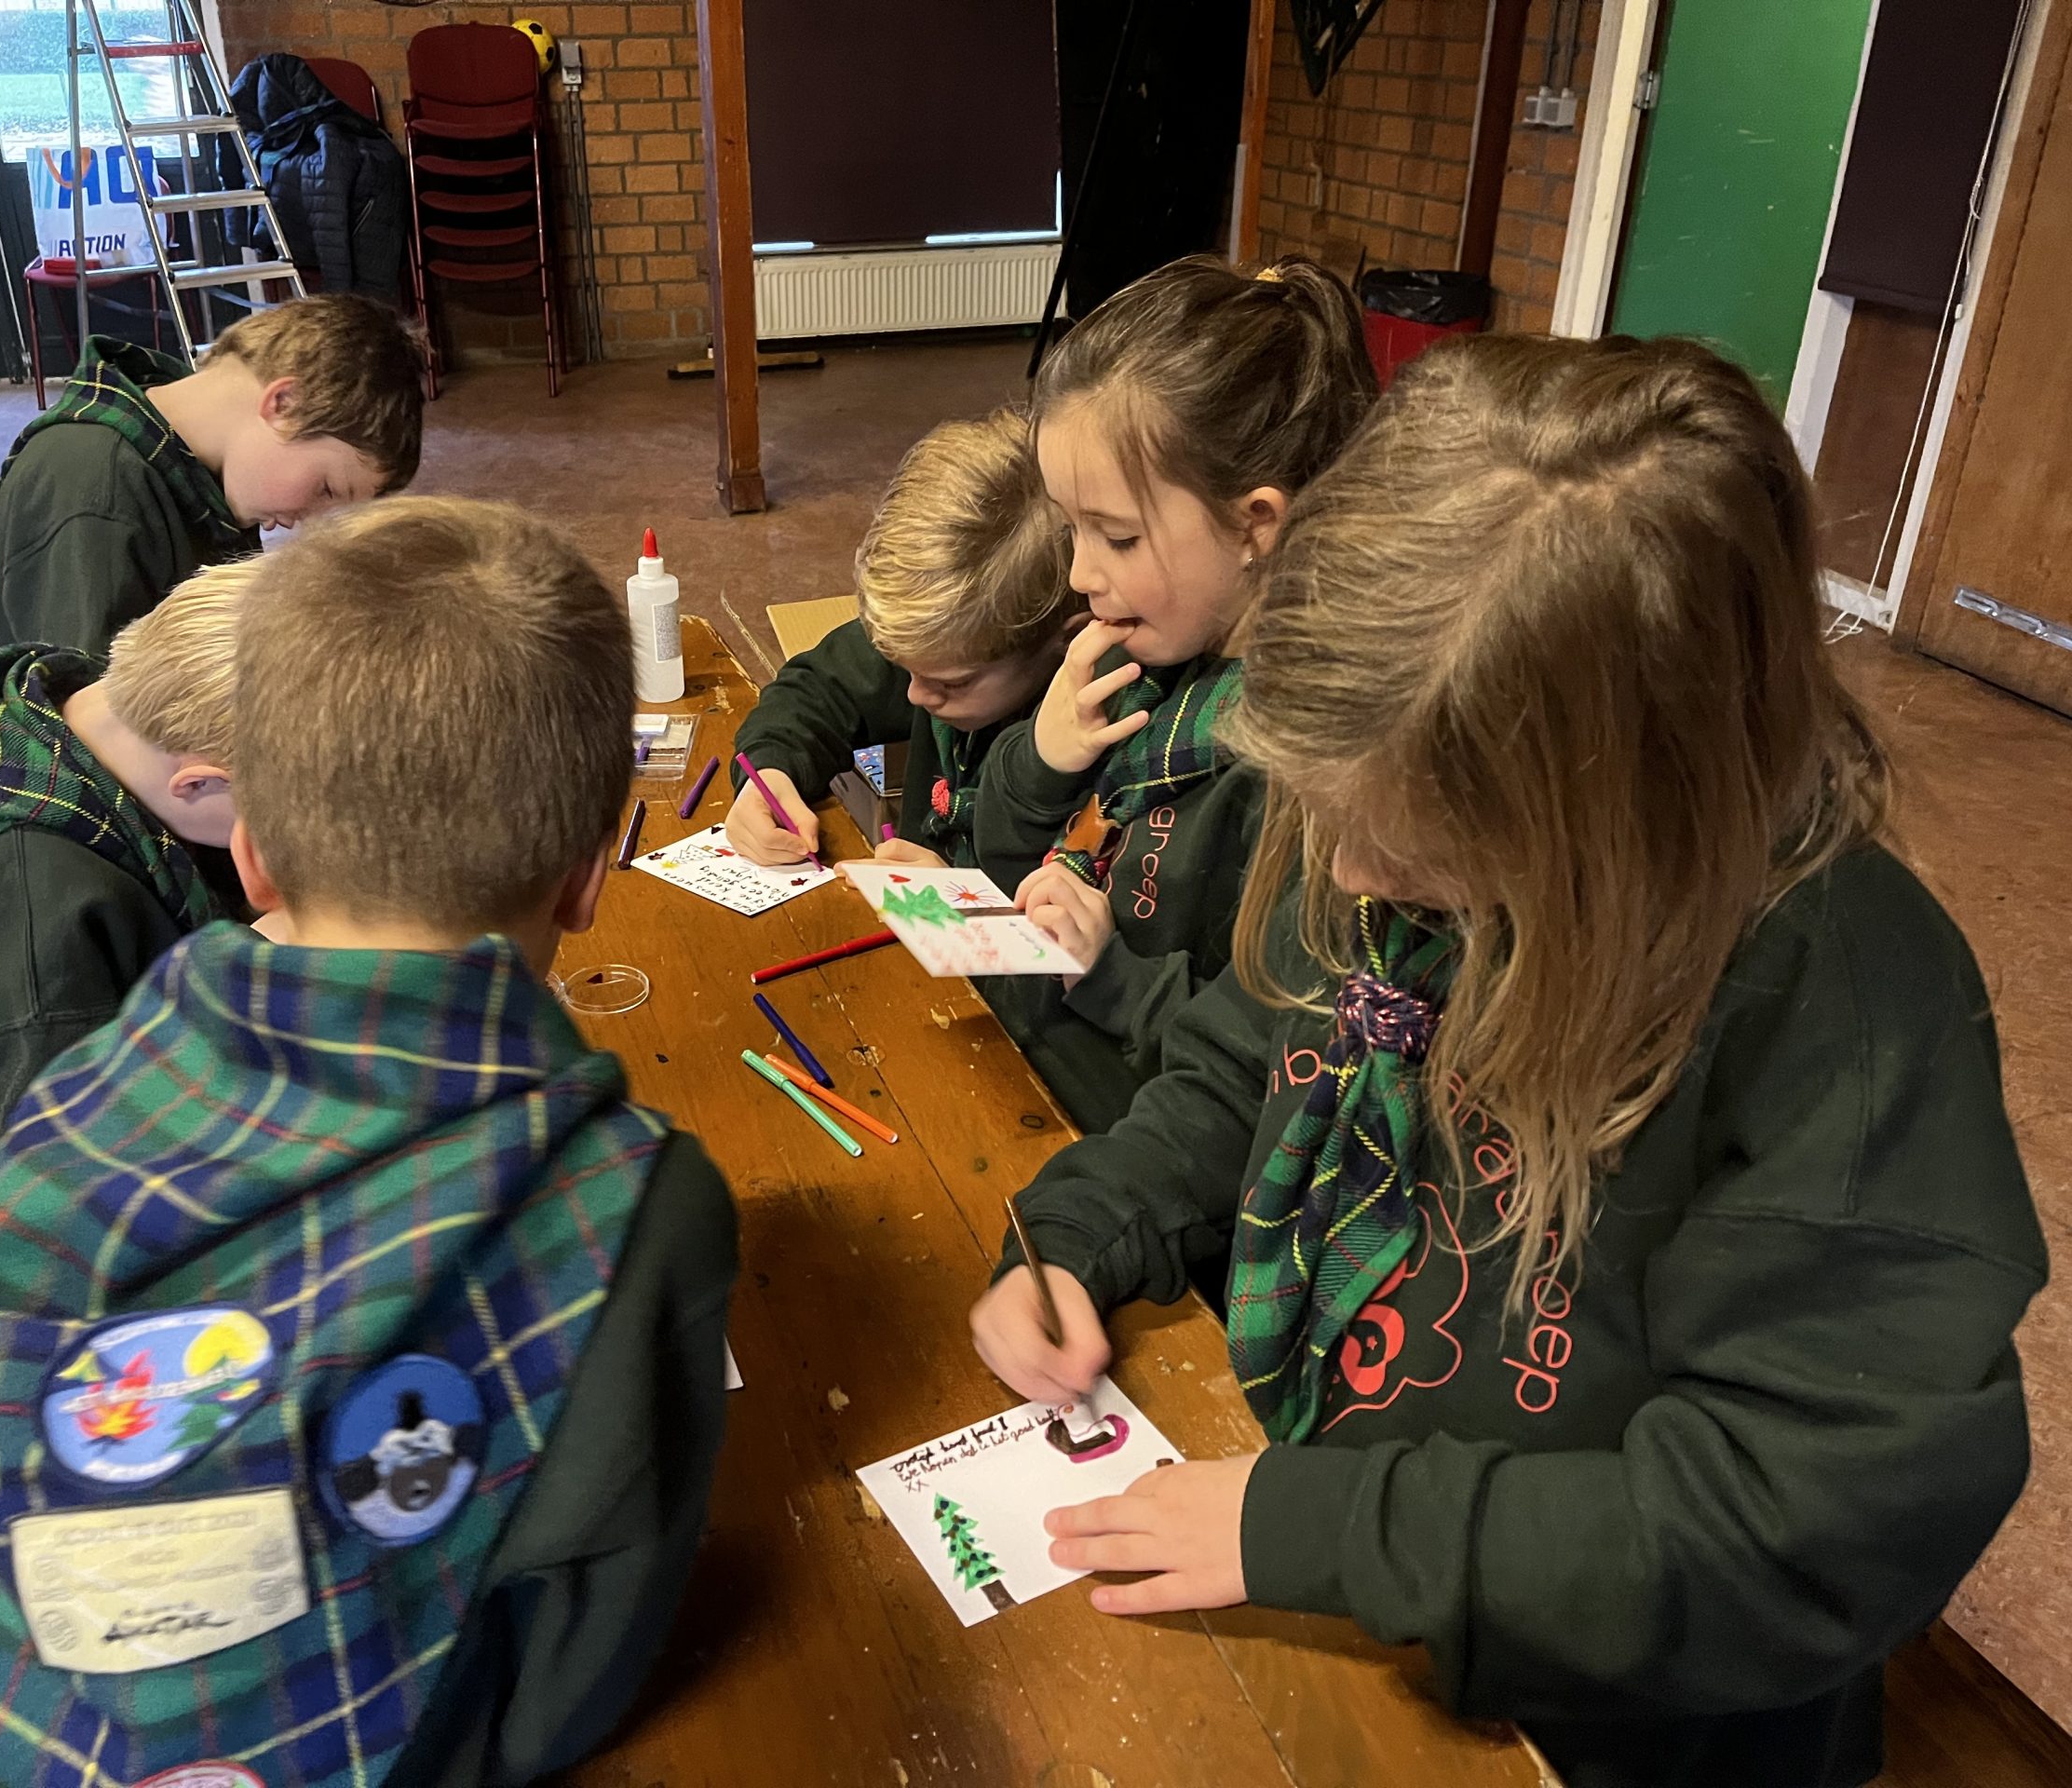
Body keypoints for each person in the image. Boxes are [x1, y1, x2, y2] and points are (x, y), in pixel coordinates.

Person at [969, 333, 2047, 1788]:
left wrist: (1334, 1530)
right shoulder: (1387, 823)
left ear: (1611, 803)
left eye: (1412, 837)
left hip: (1613, 1724)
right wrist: (1081, 1231)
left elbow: (1799, 1528)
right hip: (1362, 1564)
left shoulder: (1840, 1008)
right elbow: (1244, 1064)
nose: (1352, 869)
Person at [0, 496, 739, 1788]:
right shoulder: (637, 1197)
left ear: (249, 856)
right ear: (591, 874)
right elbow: (568, 1677)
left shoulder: (66, 1108)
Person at [971, 254, 1376, 1132]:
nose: (1079, 574)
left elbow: (1272, 1067)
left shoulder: (1306, 777)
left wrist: (1114, 978)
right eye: (1073, 530)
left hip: (1124, 1124)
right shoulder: (1148, 650)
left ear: (1255, 525)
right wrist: (1039, 761)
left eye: (1116, 537)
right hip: (1031, 1057)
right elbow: (1000, 845)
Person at [0, 560, 256, 1192]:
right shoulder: (38, 943)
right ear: (198, 784)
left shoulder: (85, 709)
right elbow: (48, 1187)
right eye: (278, 817)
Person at [0, 291, 427, 659]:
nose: (311, 522)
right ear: (284, 404)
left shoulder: (204, 470)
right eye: (326, 489)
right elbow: (74, 722)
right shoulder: (95, 490)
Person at [727, 408, 1077, 871]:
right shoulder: (948, 643)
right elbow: (819, 688)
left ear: (1064, 643)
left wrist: (967, 899)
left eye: (951, 683)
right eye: (905, 667)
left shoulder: (1107, 743)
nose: (915, 695)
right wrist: (768, 773)